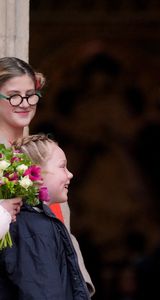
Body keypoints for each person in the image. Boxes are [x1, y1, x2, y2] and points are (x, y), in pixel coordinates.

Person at [0, 57, 95, 295]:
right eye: (14, 95)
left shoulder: (41, 151)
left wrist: (79, 284)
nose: (24, 103)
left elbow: (61, 224)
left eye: (31, 95)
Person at [0, 134, 91, 299]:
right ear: (36, 174)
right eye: (62, 166)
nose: (70, 174)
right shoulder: (35, 227)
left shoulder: (36, 222)